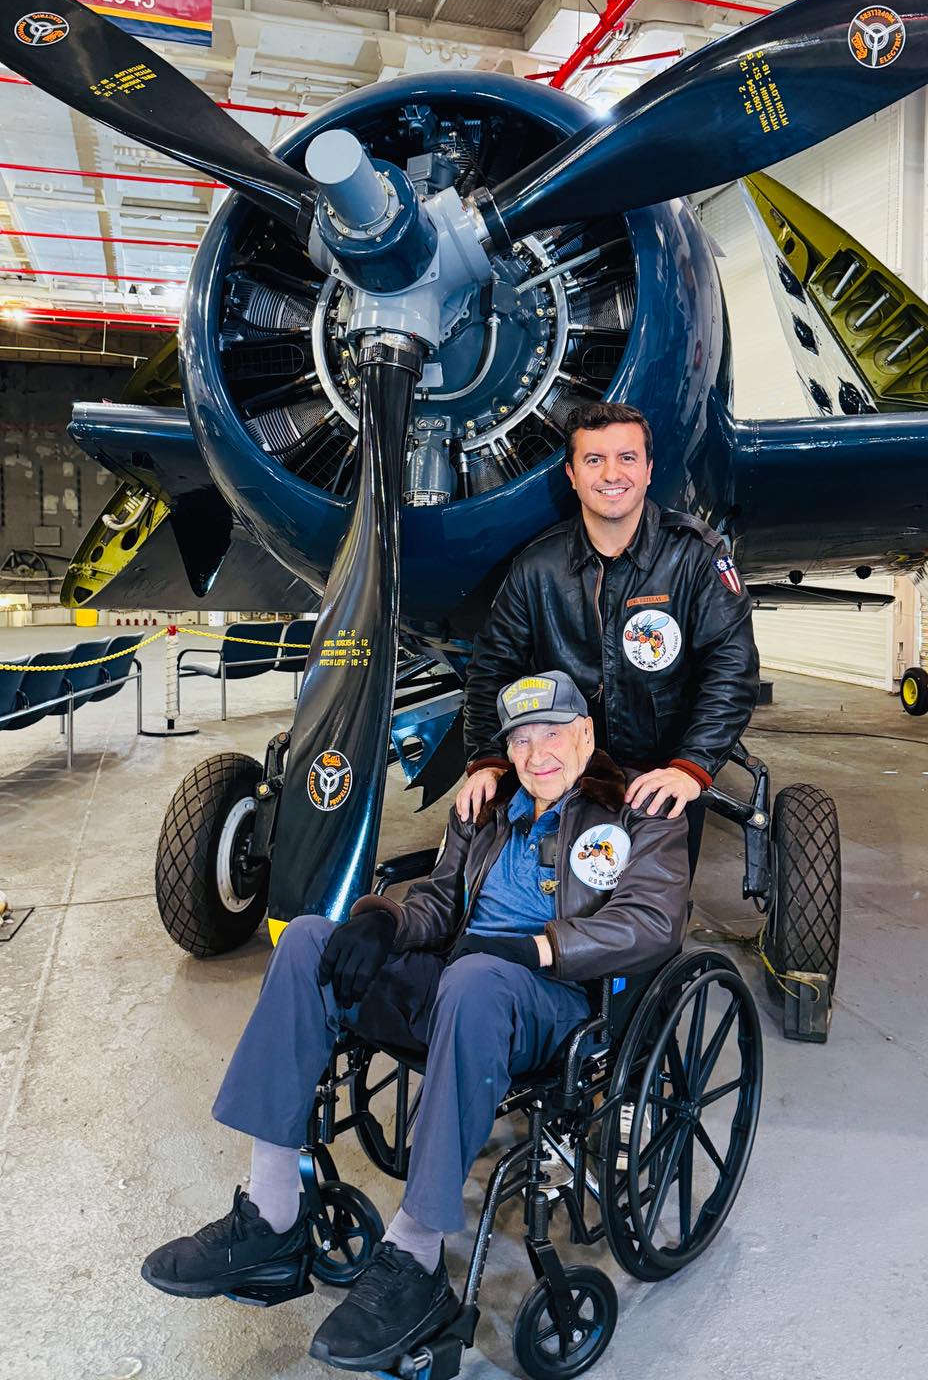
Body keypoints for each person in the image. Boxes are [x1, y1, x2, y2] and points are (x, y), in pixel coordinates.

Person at [141, 671, 689, 1375]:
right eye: (522, 738)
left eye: (552, 732)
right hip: (463, 982)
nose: (536, 751)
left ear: (585, 734)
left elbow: (650, 924)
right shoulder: (488, 807)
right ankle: (272, 1213)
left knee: (476, 977)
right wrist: (385, 922)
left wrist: (537, 947)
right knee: (309, 939)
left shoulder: (639, 811)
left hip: (556, 1002)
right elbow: (439, 900)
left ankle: (416, 1257)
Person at [457, 402, 759, 868]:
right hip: (562, 774)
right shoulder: (536, 567)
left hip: (663, 774)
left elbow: (731, 671)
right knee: (554, 905)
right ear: (572, 475)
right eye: (594, 460)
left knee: (652, 921)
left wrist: (690, 768)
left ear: (649, 469)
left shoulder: (698, 557)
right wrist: (488, 759)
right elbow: (492, 670)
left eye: (627, 458)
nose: (611, 474)